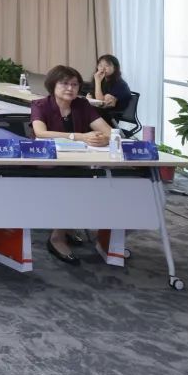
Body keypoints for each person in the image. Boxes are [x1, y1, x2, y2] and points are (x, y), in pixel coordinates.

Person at [31, 65, 115, 266]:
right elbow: (41, 133)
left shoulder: (82, 105)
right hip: (46, 163)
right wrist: (79, 136)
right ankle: (57, 238)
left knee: (90, 180)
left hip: (76, 162)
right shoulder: (40, 105)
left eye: (75, 84)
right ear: (53, 85)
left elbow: (109, 131)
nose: (70, 88)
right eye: (64, 83)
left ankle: (67, 226)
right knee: (75, 183)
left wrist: (103, 139)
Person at [92, 54, 133, 120]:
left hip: (110, 117)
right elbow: (93, 95)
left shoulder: (120, 85)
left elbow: (100, 103)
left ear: (115, 68)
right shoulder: (103, 80)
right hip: (100, 115)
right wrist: (89, 97)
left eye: (107, 65)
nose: (103, 68)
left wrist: (97, 81)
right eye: (100, 65)